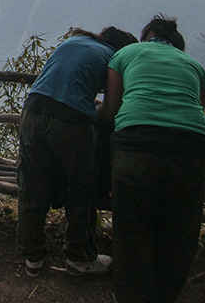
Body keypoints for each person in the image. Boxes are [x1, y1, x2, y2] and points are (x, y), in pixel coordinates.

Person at [98, 14, 205, 303]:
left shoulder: (126, 54)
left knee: (130, 229)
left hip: (136, 146)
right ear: (178, 45)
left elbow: (112, 110)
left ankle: (129, 295)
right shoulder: (194, 67)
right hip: (191, 151)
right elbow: (197, 110)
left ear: (146, 37)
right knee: (180, 231)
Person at [18, 26, 137, 278]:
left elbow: (60, 84)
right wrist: (95, 111)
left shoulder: (73, 42)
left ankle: (33, 256)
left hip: (32, 110)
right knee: (81, 186)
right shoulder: (115, 58)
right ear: (122, 48)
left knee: (33, 184)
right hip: (70, 121)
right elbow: (110, 112)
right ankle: (78, 257)